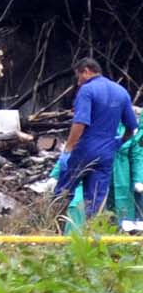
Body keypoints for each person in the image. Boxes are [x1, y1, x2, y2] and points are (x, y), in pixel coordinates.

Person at [57, 58, 138, 217]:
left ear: (86, 71)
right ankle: (91, 236)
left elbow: (80, 122)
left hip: (83, 151)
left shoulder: (87, 90)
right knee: (95, 201)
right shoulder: (121, 92)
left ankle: (53, 232)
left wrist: (68, 149)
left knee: (63, 193)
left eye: (78, 77)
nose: (78, 82)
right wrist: (119, 142)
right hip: (106, 153)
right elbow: (131, 127)